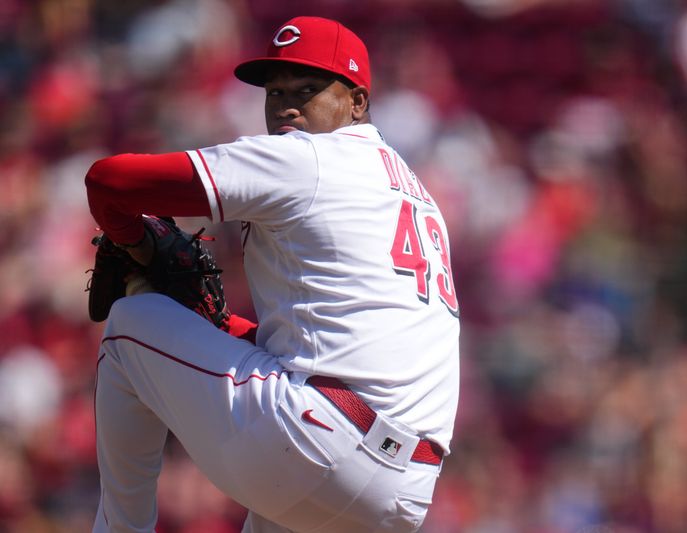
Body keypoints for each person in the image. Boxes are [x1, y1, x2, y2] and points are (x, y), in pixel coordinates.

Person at [84, 15, 460, 533]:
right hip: (404, 492)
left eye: (308, 89)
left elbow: (109, 182)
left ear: (357, 102)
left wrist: (134, 242)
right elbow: (334, 346)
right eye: (274, 90)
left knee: (130, 323)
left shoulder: (309, 158)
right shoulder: (418, 197)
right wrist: (217, 326)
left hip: (319, 440)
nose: (286, 105)